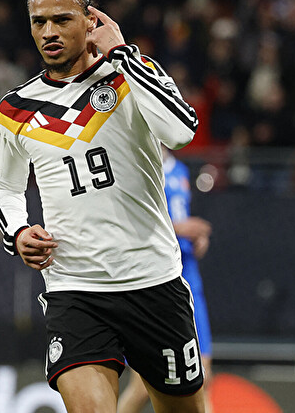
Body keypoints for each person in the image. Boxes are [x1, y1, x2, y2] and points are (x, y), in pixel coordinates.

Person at [0, 0, 204, 413]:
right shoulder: (16, 108)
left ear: (91, 21)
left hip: (152, 281)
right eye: (39, 22)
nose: (48, 32)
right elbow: (1, 183)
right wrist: (18, 231)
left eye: (62, 19)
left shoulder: (131, 75)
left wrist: (122, 55)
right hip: (75, 288)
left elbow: (181, 132)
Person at [117, 147, 214, 413]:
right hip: (155, 277)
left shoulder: (180, 169)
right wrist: (180, 228)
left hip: (189, 276)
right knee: (142, 385)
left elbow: (180, 214)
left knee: (203, 375)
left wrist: (197, 238)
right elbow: (131, 220)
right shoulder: (138, 162)